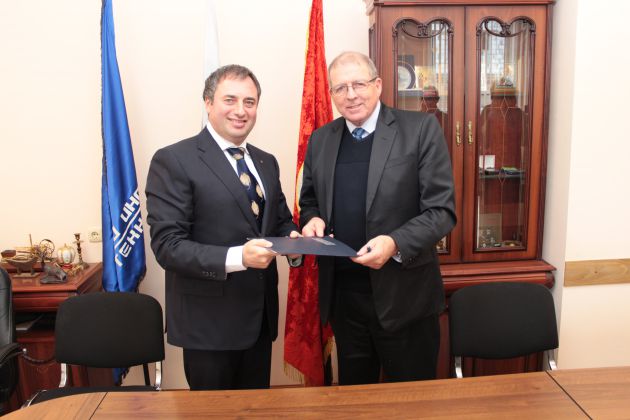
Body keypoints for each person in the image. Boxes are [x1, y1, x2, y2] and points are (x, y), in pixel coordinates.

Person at [299, 52, 456, 385]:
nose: (351, 95)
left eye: (359, 84)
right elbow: (310, 201)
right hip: (345, 301)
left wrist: (394, 242)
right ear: (332, 94)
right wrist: (312, 220)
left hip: (406, 299)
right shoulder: (321, 139)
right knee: (357, 400)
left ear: (378, 85)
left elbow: (441, 211)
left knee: (411, 401)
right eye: (340, 88)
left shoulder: (419, 129)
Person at [146, 64, 300, 390]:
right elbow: (168, 246)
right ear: (208, 102)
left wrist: (296, 239)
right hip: (208, 326)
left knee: (256, 410)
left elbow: (279, 220)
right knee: (212, 412)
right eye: (230, 100)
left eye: (250, 102)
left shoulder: (266, 161)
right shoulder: (174, 160)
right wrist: (239, 257)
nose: (240, 111)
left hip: (259, 321)